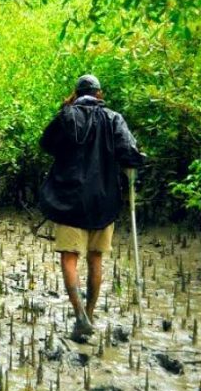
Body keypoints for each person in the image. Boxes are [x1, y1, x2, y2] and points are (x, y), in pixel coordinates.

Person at [39, 74, 145, 341]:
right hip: (103, 201)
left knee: (69, 258)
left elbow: (46, 144)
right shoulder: (113, 118)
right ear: (99, 94)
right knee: (95, 258)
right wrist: (136, 161)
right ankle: (89, 313)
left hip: (69, 200)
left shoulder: (67, 117)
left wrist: (64, 109)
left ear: (75, 94)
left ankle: (80, 317)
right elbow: (130, 153)